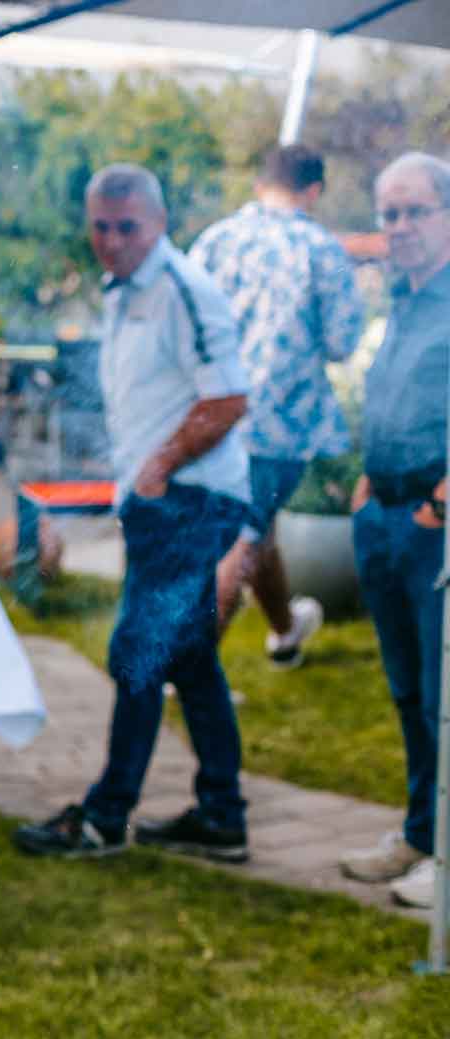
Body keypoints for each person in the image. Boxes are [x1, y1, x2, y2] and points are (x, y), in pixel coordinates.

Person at [14, 164, 253, 862]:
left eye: (127, 227)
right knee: (191, 659)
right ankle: (222, 816)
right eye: (101, 226)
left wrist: (160, 464)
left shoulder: (183, 290)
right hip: (160, 501)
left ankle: (104, 818)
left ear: (159, 223)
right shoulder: (124, 293)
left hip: (190, 498)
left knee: (139, 654)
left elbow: (229, 398)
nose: (113, 241)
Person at [189, 143, 364, 665]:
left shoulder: (214, 240)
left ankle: (285, 635)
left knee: (254, 532)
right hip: (277, 426)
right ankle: (188, 673)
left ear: (259, 184)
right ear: (313, 191)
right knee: (242, 544)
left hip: (207, 417)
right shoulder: (321, 250)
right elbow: (341, 342)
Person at [338, 153, 450, 907]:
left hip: (434, 523)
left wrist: (439, 502)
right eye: (389, 213)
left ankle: (447, 862)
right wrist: (370, 485)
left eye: (415, 211)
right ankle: (420, 833)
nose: (401, 226)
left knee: (445, 694)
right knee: (409, 691)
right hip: (384, 516)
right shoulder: (406, 299)